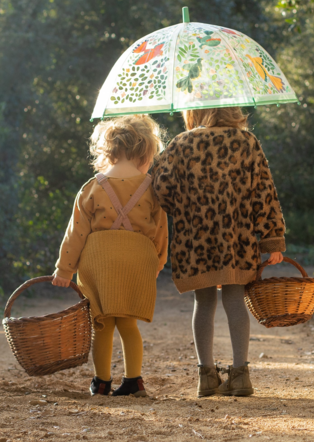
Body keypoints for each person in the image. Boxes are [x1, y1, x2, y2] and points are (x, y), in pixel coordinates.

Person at [152, 107, 285, 397]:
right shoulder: (247, 142)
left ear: (194, 111)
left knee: (205, 302)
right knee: (236, 299)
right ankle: (240, 376)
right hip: (237, 237)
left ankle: (206, 376)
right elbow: (265, 191)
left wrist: (183, 209)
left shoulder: (181, 143)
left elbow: (160, 185)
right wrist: (272, 238)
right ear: (232, 108)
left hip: (195, 238)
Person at [53, 115, 168, 397]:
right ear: (146, 152)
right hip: (136, 259)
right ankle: (134, 382)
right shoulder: (152, 188)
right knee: (128, 323)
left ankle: (101, 382)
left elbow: (76, 233)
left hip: (99, 261)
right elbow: (161, 231)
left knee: (101, 323)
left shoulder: (92, 187)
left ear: (108, 151)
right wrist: (158, 262)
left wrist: (64, 269)